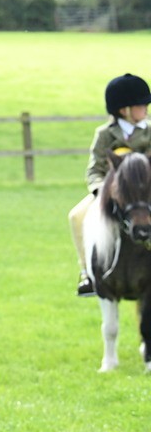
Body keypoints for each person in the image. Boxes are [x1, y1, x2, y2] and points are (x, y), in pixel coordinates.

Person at [70, 72, 151, 296]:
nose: (146, 109)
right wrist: (100, 191)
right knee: (76, 216)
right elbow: (94, 169)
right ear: (124, 109)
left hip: (145, 195)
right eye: (141, 105)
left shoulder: (150, 132)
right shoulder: (104, 134)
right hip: (111, 194)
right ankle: (88, 273)